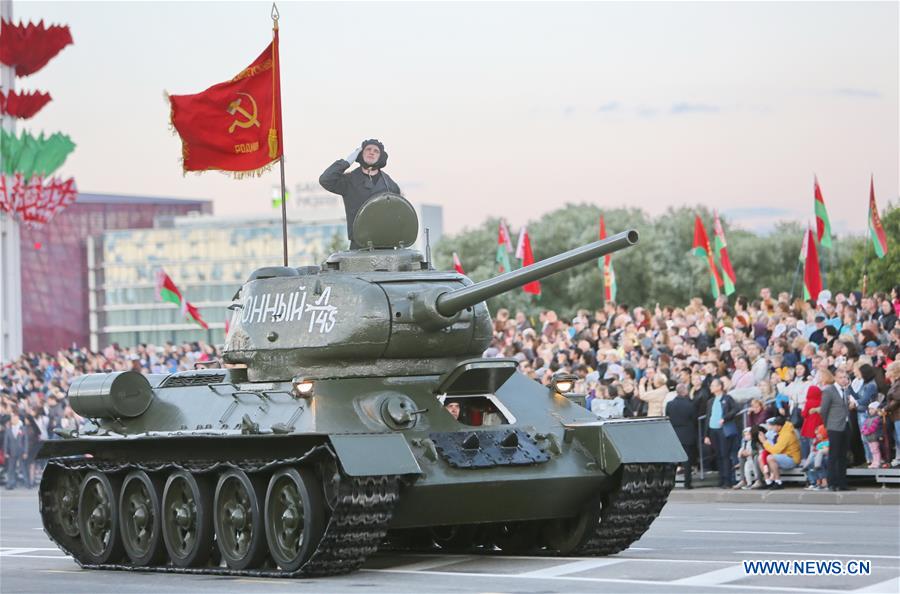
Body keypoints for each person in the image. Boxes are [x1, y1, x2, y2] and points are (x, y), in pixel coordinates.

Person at [319, 139, 402, 248]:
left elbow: (398, 216)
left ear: (381, 157)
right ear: (360, 154)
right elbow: (326, 180)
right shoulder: (349, 181)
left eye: (376, 151)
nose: (371, 152)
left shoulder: (390, 185)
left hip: (385, 245)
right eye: (367, 149)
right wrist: (347, 162)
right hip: (359, 245)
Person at [814, 368, 852, 491]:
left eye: (845, 377)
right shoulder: (829, 390)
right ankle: (832, 482)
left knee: (842, 455)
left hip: (845, 425)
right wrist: (828, 424)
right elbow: (824, 410)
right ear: (835, 378)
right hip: (834, 426)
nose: (843, 379)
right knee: (833, 455)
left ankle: (842, 483)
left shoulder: (846, 391)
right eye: (841, 377)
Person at [703, 378, 739, 488]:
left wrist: (725, 418)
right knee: (718, 455)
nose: (711, 388)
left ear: (719, 387)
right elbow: (708, 417)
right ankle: (721, 478)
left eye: (713, 385)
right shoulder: (710, 401)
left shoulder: (727, 399)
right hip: (713, 429)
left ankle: (727, 480)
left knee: (725, 455)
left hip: (723, 429)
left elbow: (734, 409)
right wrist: (706, 434)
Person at [666, 383, 698, 489]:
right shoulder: (690, 404)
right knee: (687, 460)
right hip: (687, 434)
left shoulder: (670, 404)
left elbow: (668, 418)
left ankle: (670, 482)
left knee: (673, 460)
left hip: (674, 434)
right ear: (685, 392)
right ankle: (687, 483)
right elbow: (694, 419)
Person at [757, 415, 801, 489]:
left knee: (770, 458)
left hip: (792, 459)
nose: (772, 428)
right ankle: (768, 481)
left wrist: (764, 441)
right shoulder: (781, 431)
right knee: (760, 457)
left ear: (779, 426)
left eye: (773, 426)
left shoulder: (786, 434)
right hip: (783, 456)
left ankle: (778, 482)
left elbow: (776, 450)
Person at [3, 413, 28, 490]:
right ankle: (10, 483)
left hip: (21, 451)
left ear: (18, 419)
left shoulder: (23, 428)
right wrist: (5, 452)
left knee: (23, 467)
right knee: (11, 468)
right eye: (12, 419)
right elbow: (6, 442)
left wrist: (25, 452)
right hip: (11, 452)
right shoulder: (8, 429)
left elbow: (26, 441)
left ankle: (27, 482)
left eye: (14, 418)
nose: (13, 420)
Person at [883, 361, 900, 467]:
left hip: (898, 415)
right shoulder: (895, 383)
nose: (886, 372)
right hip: (895, 415)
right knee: (897, 438)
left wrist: (886, 408)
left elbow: (898, 398)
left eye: (888, 370)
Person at [860, 402, 883, 468]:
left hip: (874, 438)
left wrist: (866, 431)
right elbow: (864, 426)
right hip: (869, 438)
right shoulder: (868, 418)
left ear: (876, 409)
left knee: (876, 450)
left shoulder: (877, 418)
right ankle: (874, 462)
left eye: (872, 409)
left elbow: (873, 428)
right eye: (869, 409)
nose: (870, 411)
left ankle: (877, 462)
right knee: (872, 451)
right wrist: (863, 430)